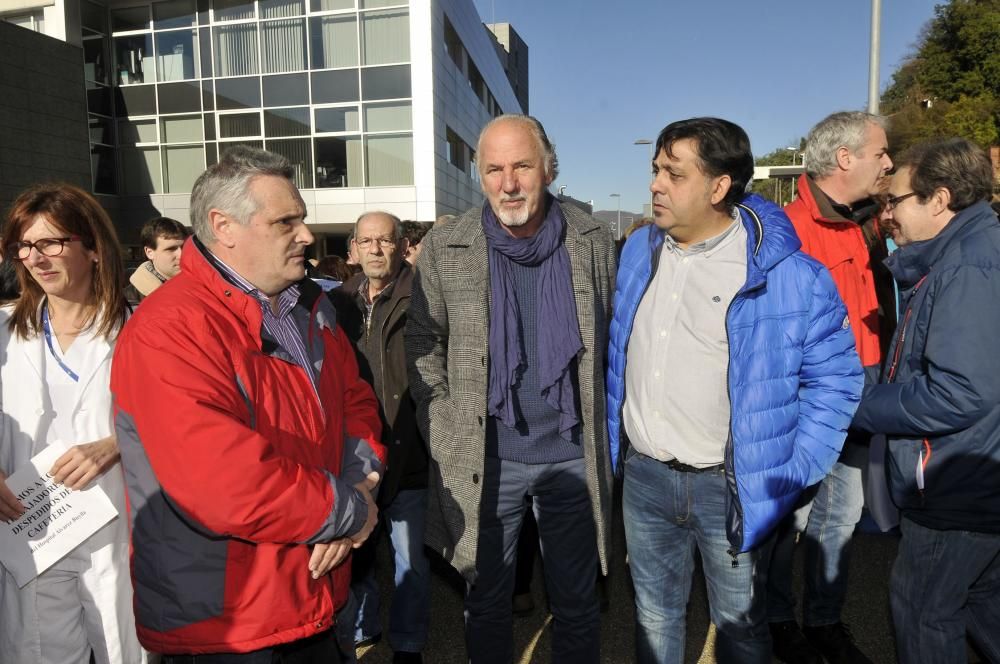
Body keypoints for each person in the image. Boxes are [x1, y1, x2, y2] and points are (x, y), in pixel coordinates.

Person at [111, 146, 386, 662]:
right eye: (286, 221)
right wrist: (349, 510)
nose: (306, 235)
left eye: (302, 219)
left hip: (314, 599)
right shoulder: (169, 328)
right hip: (228, 625)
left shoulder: (310, 305)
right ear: (224, 227)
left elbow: (356, 403)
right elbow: (222, 481)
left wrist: (360, 484)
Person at [606, 117, 863, 664]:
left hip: (732, 487)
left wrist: (789, 471)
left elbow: (837, 380)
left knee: (742, 629)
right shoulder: (637, 253)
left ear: (719, 186)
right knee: (653, 617)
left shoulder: (789, 273)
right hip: (646, 479)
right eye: (655, 170)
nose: (655, 184)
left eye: (673, 174)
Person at [406, 114, 616, 664]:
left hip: (572, 455)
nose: (509, 182)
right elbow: (423, 343)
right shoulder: (447, 245)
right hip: (486, 459)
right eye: (494, 169)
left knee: (576, 603)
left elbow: (615, 336)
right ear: (480, 175)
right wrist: (444, 422)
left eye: (522, 165)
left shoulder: (590, 238)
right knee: (487, 601)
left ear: (548, 169)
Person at [852, 137, 1000, 663]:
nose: (886, 213)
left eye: (896, 200)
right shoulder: (967, 254)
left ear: (939, 200)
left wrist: (861, 403)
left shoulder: (966, 267)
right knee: (979, 601)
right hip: (975, 477)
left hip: (955, 485)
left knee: (922, 611)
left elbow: (960, 392)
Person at [768, 111, 895, 664]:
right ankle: (776, 625)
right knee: (784, 526)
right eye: (880, 153)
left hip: (862, 402)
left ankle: (824, 623)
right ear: (845, 159)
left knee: (840, 519)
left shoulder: (871, 227)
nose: (888, 163)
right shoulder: (785, 231)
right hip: (803, 404)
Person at [0, 183, 145, 664]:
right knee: (36, 654)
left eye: (51, 242)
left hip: (116, 528)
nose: (35, 258)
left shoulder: (142, 331)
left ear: (95, 249)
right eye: (24, 245)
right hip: (29, 528)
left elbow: (182, 422)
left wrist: (114, 444)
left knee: (124, 651)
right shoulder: (4, 334)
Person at [330, 211, 430, 664]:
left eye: (384, 241)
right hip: (357, 453)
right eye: (366, 241)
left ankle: (408, 644)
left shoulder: (425, 296)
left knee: (410, 559)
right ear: (353, 248)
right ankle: (364, 629)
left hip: (410, 450)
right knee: (360, 554)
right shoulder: (339, 302)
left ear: (401, 244)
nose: (375, 250)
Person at [128, 216, 189, 300]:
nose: (181, 255)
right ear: (149, 253)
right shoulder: (127, 302)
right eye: (171, 249)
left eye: (185, 247)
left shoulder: (204, 287)